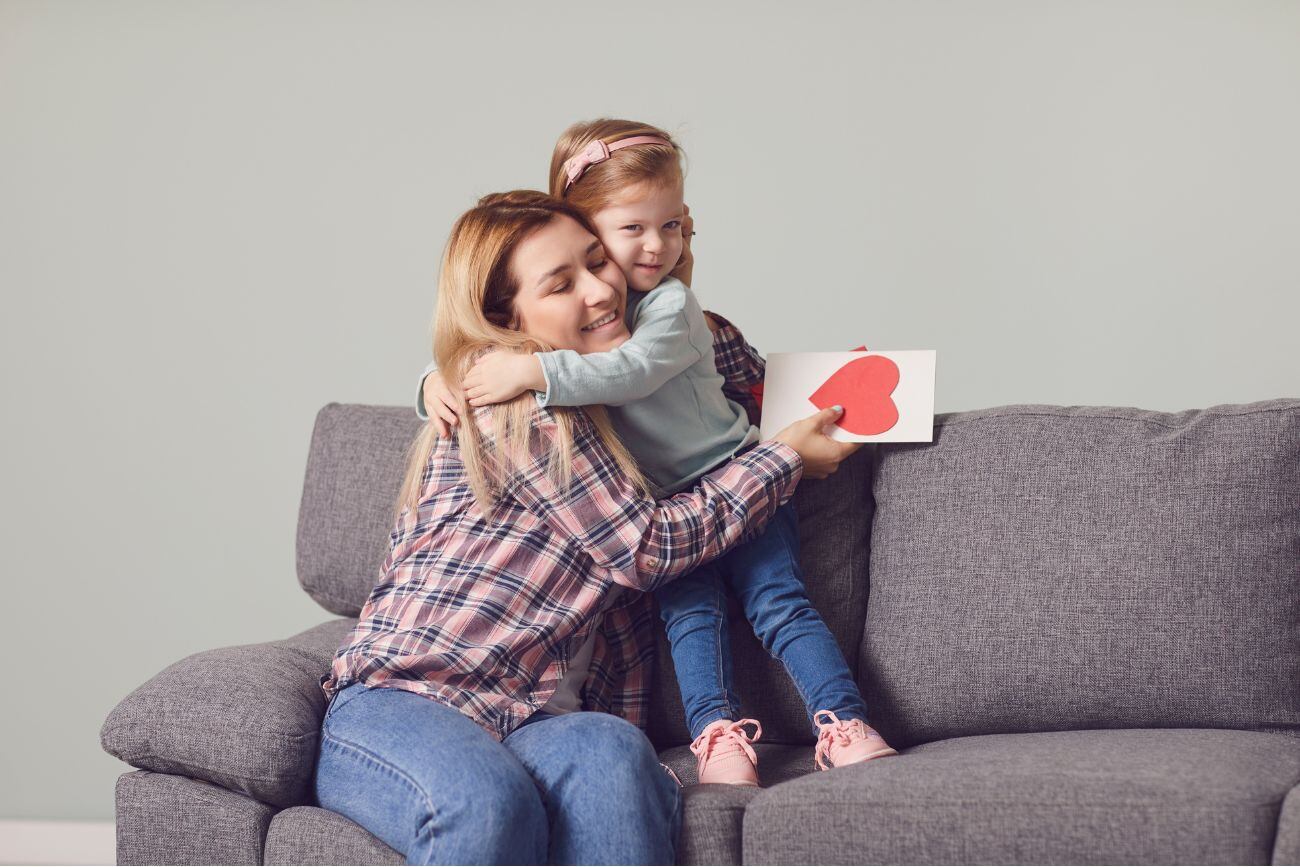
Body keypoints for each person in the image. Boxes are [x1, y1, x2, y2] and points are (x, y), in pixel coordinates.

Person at [316, 189, 858, 865]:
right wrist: (784, 460)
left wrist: (849, 391)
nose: (601, 289)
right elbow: (646, 546)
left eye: (599, 262)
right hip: (414, 699)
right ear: (506, 319)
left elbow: (732, 371)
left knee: (613, 759)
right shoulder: (528, 412)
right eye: (561, 283)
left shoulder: (624, 388)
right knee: (486, 803)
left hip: (542, 717)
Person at [422, 120, 898, 787]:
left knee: (779, 602)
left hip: (736, 477)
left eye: (673, 225)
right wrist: (437, 379)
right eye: (632, 230)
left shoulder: (669, 309)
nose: (658, 245)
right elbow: (483, 340)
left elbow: (638, 372)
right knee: (690, 620)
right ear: (584, 233)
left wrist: (536, 375)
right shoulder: (564, 337)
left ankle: (843, 721)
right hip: (667, 507)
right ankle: (718, 736)